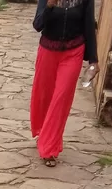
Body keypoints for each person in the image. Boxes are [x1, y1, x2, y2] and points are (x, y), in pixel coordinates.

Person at [30, 0, 98, 167]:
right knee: (43, 95)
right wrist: (50, 6)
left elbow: (89, 25)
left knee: (61, 98)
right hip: (47, 51)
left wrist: (93, 60)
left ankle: (49, 149)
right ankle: (42, 131)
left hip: (73, 52)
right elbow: (38, 25)